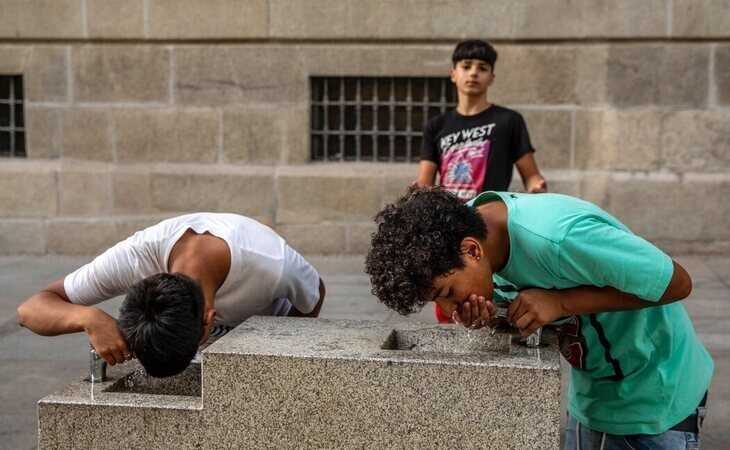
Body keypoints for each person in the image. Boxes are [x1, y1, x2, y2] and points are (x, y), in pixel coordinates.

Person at [365, 187, 713, 449]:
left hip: (657, 392)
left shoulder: (559, 237)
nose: (452, 309)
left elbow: (676, 282)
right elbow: (527, 305)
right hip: (594, 393)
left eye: (448, 295)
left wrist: (559, 303)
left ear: (472, 250)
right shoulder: (460, 235)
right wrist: (494, 317)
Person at [17, 213, 325, 377]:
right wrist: (88, 317)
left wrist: (278, 348)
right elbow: (29, 310)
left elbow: (315, 293)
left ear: (209, 318)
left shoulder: (272, 264)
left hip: (262, 323)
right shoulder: (135, 258)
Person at [416, 39, 547, 199]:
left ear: (492, 78)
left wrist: (536, 188)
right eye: (466, 66)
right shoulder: (435, 126)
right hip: (449, 219)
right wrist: (417, 194)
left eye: (482, 68)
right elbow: (424, 183)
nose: (473, 73)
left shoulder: (509, 121)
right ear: (453, 74)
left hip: (492, 218)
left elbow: (531, 176)